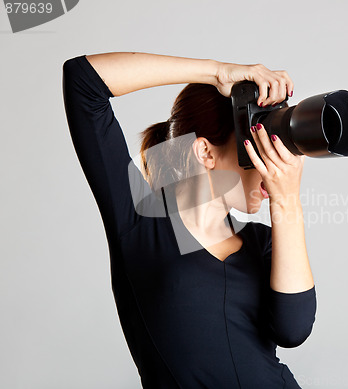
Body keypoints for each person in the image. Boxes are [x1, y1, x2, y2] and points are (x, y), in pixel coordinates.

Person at [62, 51, 317, 388]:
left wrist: (287, 200)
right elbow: (83, 81)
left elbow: (293, 329)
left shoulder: (263, 241)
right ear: (206, 152)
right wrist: (217, 72)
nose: (273, 168)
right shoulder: (139, 222)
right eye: (261, 151)